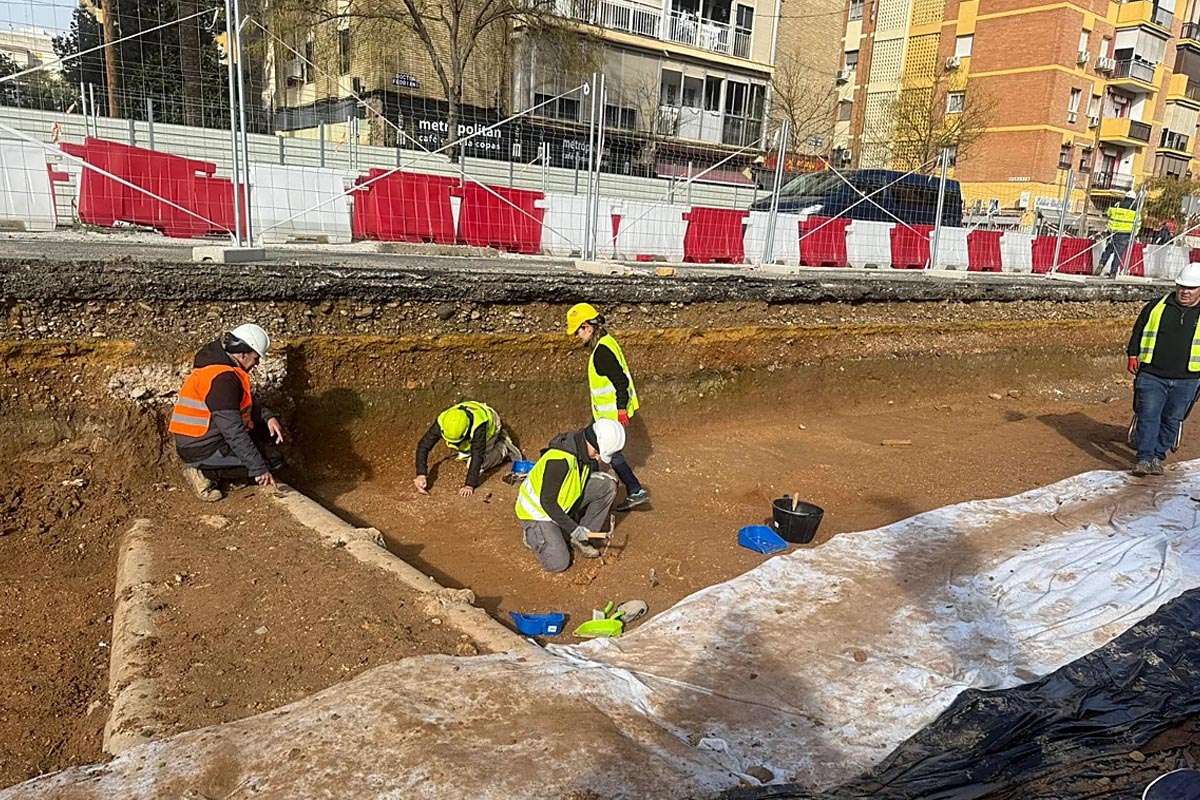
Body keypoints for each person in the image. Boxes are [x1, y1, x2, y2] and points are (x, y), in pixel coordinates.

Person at [169, 324, 285, 501]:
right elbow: (233, 432)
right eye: (256, 358)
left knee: (266, 439)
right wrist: (259, 469)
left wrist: (268, 417)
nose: (257, 363)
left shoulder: (219, 366)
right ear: (243, 354)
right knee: (273, 462)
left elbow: (244, 402)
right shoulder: (223, 379)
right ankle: (204, 473)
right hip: (202, 448)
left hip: (205, 438)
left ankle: (226, 472)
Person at [565, 302, 649, 511]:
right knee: (599, 447)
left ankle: (630, 490)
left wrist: (620, 409)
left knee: (602, 449)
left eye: (578, 331)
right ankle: (631, 489)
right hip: (607, 414)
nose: (577, 336)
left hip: (610, 414)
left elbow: (621, 381)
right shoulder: (607, 342)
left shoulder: (601, 353)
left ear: (587, 327)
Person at [515, 419, 625, 572]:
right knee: (558, 563)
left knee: (607, 486)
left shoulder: (584, 451)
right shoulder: (559, 460)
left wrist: (577, 529)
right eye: (598, 453)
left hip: (561, 503)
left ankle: (582, 538)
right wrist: (573, 528)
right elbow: (547, 502)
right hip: (538, 513)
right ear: (592, 441)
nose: (598, 458)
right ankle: (533, 535)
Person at [1125, 262, 1200, 476]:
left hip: (1188, 378)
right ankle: (1144, 458)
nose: (1185, 292)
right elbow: (1138, 330)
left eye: (1191, 288)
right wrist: (1132, 354)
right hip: (1152, 374)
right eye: (1181, 286)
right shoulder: (1156, 307)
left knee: (1172, 419)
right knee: (1148, 415)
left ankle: (1158, 456)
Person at [413, 400, 522, 497]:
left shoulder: (478, 427)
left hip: (490, 425)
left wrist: (469, 485)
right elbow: (423, 445)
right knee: (466, 454)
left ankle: (503, 448)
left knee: (478, 464)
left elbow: (477, 455)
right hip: (473, 416)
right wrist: (421, 474)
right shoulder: (444, 421)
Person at [1099, 192, 1138, 278]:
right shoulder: (1135, 208)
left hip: (1113, 232)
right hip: (1125, 234)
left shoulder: (1117, 204)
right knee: (1118, 254)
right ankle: (1113, 272)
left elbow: (1109, 213)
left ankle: (1101, 264)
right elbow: (1137, 222)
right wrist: (1135, 234)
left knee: (1108, 250)